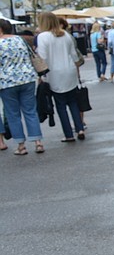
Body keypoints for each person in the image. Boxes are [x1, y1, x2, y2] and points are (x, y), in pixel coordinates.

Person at [36, 12, 85, 142]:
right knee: (73, 102)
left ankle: (68, 134)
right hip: (70, 71)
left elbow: (43, 57)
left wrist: (41, 76)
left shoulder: (43, 37)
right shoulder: (66, 35)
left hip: (54, 74)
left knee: (60, 105)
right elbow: (74, 55)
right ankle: (79, 128)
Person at [0, 18, 45, 154]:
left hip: (6, 82)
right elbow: (31, 56)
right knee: (30, 111)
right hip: (27, 78)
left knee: (13, 114)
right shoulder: (21, 40)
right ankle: (38, 142)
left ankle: (21, 145)